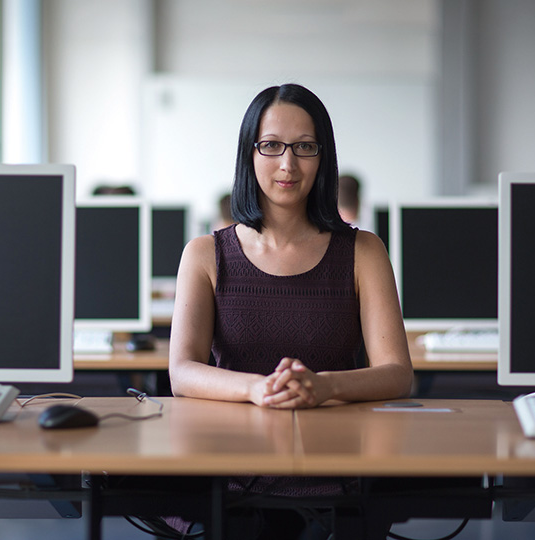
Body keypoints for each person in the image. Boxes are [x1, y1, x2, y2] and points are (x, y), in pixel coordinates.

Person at [166, 83, 412, 538]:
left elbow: (397, 372)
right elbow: (182, 372)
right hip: (232, 466)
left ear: (324, 157)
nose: (288, 164)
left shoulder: (364, 250)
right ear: (249, 153)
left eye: (304, 147)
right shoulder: (204, 254)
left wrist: (321, 387)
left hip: (338, 467)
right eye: (271, 145)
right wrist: (260, 390)